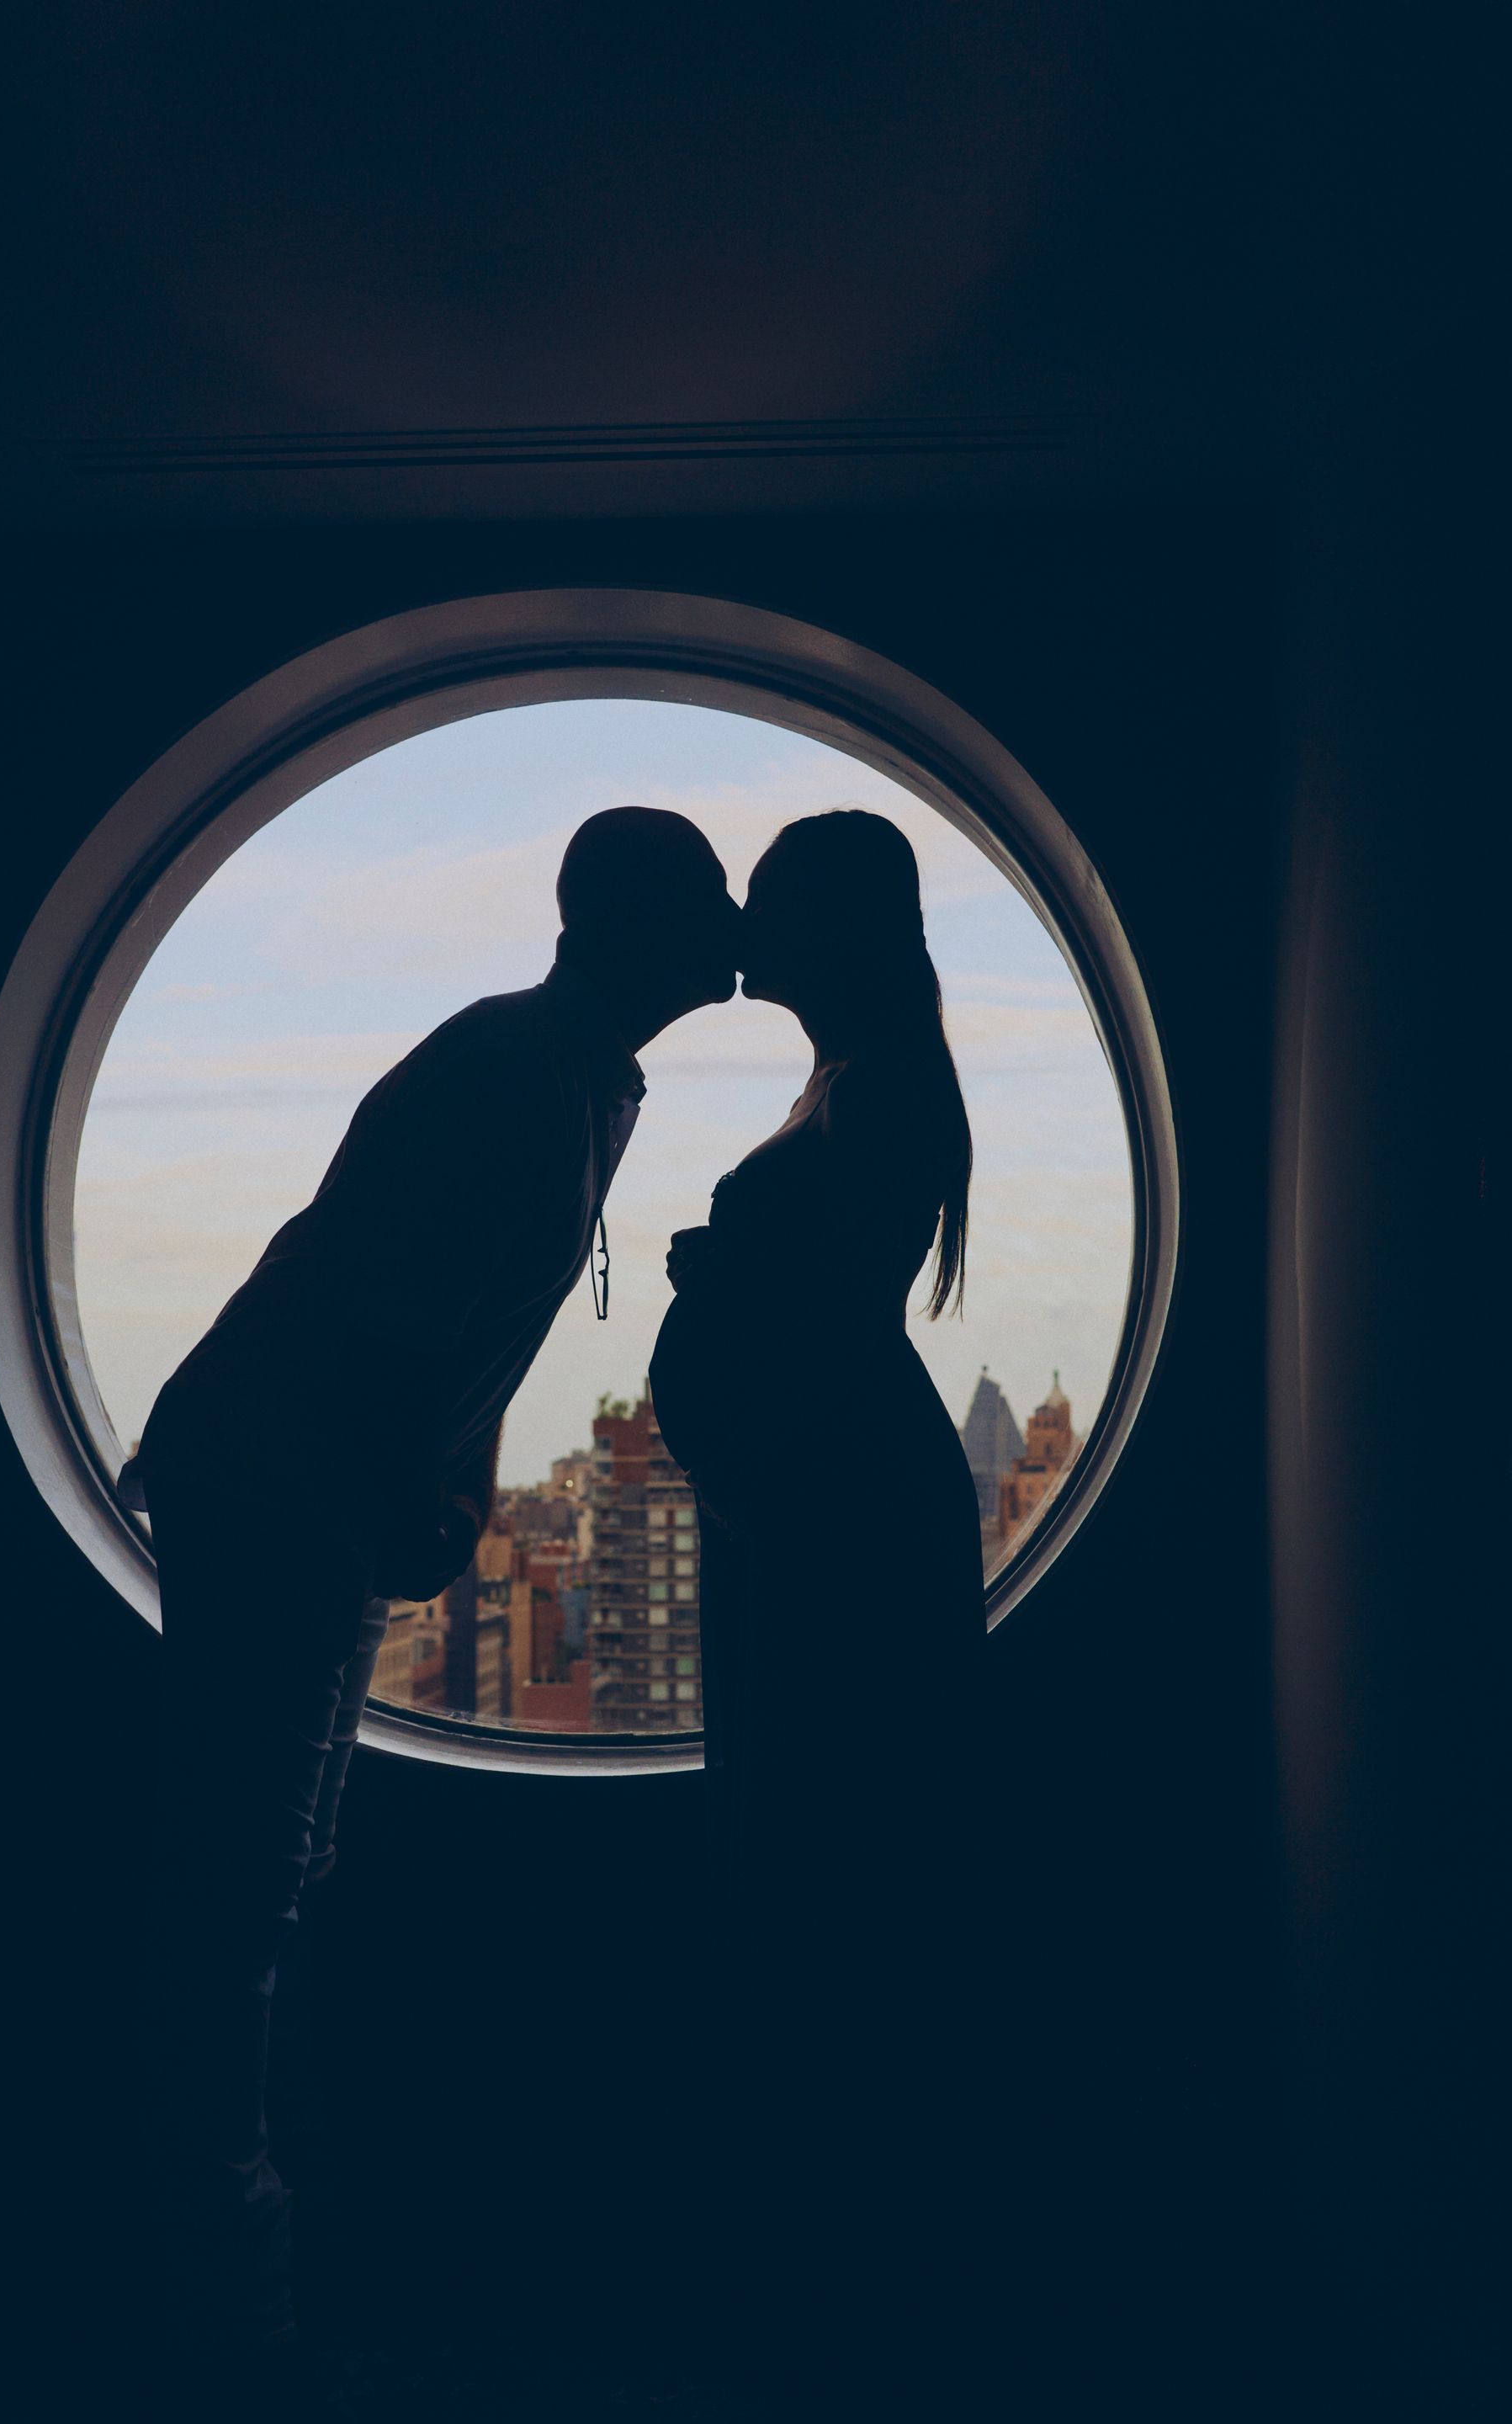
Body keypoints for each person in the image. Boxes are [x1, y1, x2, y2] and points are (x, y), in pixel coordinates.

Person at [127, 806, 740, 2377]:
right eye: (708, 908)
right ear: (640, 925)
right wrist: (427, 1504)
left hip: (282, 1491)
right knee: (244, 1892)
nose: (732, 935)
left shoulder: (551, 1064)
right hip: (290, 1500)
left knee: (269, 1875)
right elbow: (402, 1332)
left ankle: (258, 2268)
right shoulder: (532, 1080)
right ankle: (232, 2302)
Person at [647, 808, 986, 2389]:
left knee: (833, 1858)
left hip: (841, 1528)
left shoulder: (879, 1089)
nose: (739, 921)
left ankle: (836, 2286)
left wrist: (712, 1275)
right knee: (826, 1854)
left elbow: (821, 1319)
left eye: (766, 901)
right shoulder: (853, 1080)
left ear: (831, 926)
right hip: (829, 1514)